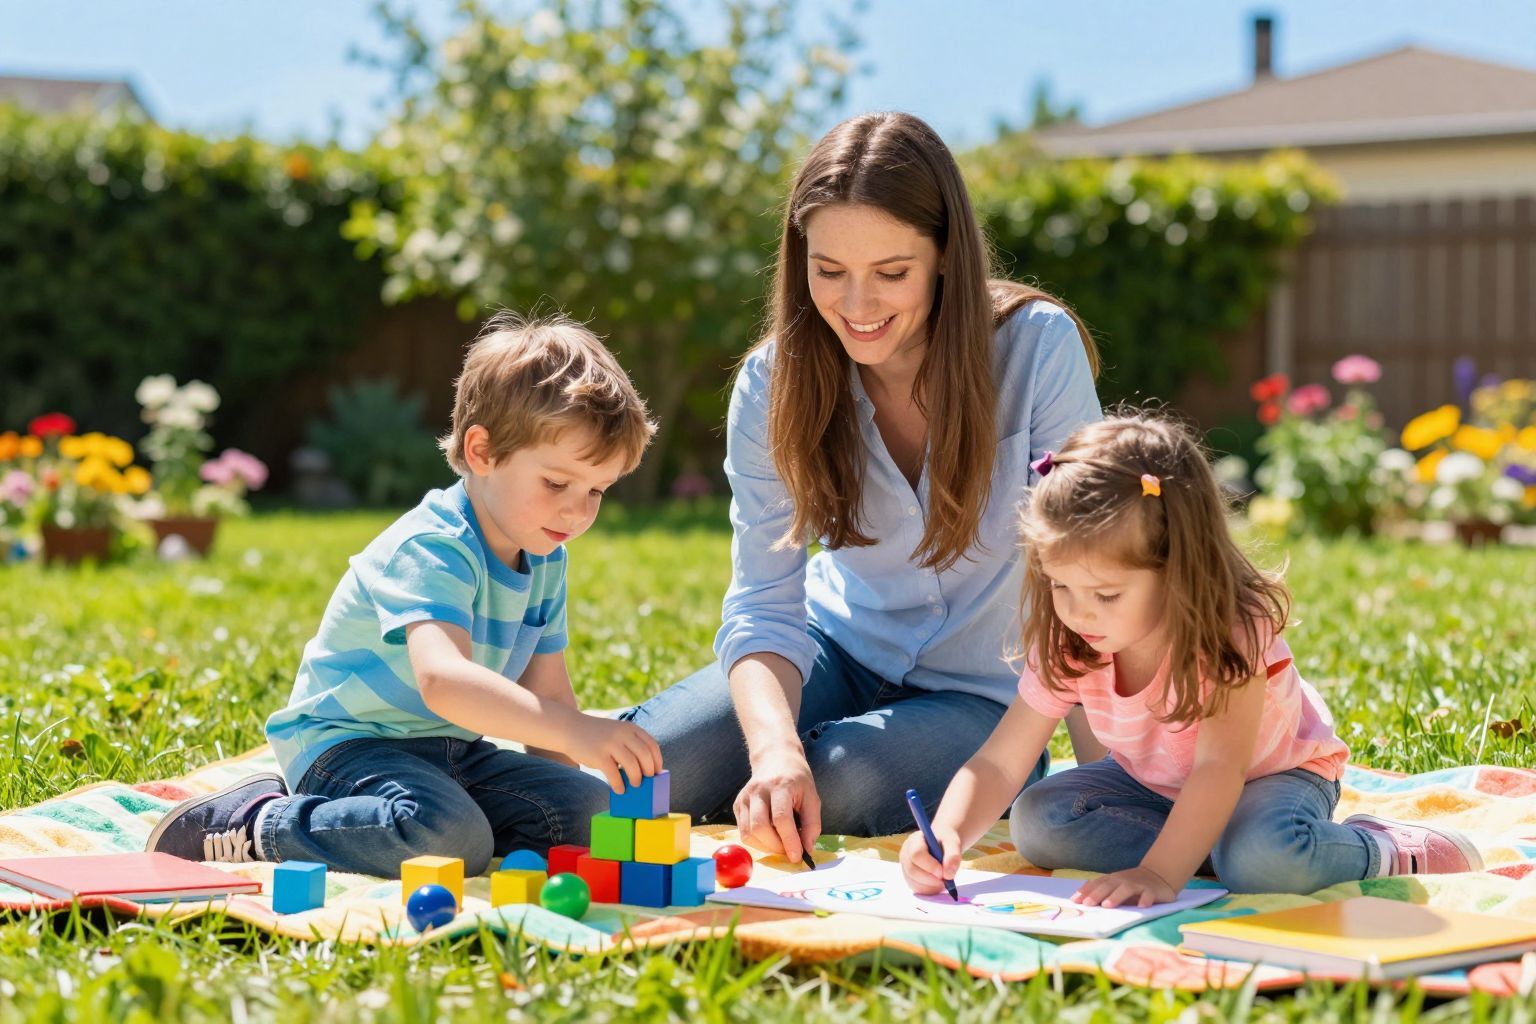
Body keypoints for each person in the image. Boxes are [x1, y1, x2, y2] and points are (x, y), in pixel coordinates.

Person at [620, 111, 1106, 863]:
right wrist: (773, 748)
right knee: (644, 766)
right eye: (829, 271)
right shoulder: (771, 383)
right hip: (834, 646)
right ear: (798, 257)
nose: (856, 305)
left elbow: (1087, 571)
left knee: (840, 783)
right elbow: (763, 602)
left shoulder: (1036, 351)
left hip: (983, 696)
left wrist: (1108, 787)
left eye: (891, 273)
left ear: (946, 255)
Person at [148, 312, 663, 877]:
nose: (577, 510)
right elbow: (443, 680)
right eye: (558, 483)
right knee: (446, 836)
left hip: (451, 752)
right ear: (482, 452)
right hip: (349, 746)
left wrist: (579, 784)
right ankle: (255, 823)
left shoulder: (545, 556)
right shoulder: (433, 545)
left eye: (598, 491)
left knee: (585, 812)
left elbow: (551, 697)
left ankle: (428, 826)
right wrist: (578, 730)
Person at [900, 412, 1484, 906]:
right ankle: (1215, 849)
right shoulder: (1071, 639)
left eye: (1106, 594)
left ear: (1177, 570)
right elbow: (1002, 762)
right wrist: (946, 831)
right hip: (1156, 787)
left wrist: (1158, 874)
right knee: (1040, 819)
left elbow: (1217, 771)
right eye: (1060, 586)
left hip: (1273, 776)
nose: (1079, 613)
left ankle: (1378, 845)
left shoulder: (1228, 633)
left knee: (1264, 861)